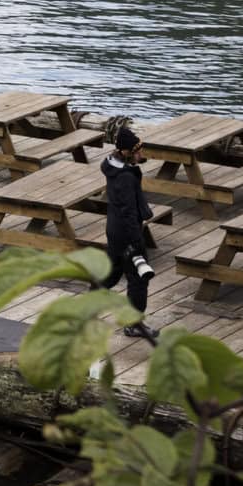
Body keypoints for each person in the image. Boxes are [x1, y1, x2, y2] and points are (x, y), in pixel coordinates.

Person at [103, 128, 160, 341]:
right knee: (138, 278)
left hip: (114, 229)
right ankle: (134, 324)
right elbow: (128, 212)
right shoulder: (126, 177)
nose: (142, 155)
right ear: (127, 152)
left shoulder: (112, 166)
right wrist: (136, 241)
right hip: (127, 233)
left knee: (112, 272)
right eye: (138, 152)